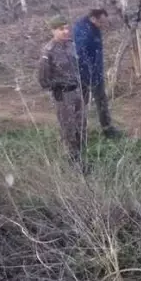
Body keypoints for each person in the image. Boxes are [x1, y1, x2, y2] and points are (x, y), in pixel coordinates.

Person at [38, 15, 89, 174]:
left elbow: (80, 67)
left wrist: (85, 85)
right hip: (63, 96)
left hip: (78, 92)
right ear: (53, 30)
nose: (65, 31)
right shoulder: (48, 51)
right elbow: (43, 80)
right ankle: (73, 165)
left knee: (81, 127)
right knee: (68, 130)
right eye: (61, 29)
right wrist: (59, 86)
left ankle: (82, 159)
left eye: (67, 28)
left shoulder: (72, 46)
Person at [72, 8, 121, 138]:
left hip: (96, 72)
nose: (104, 25)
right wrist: (89, 74)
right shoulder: (82, 31)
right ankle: (79, 130)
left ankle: (107, 128)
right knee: (82, 102)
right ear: (93, 19)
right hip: (84, 75)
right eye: (102, 22)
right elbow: (80, 55)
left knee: (101, 100)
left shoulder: (94, 28)